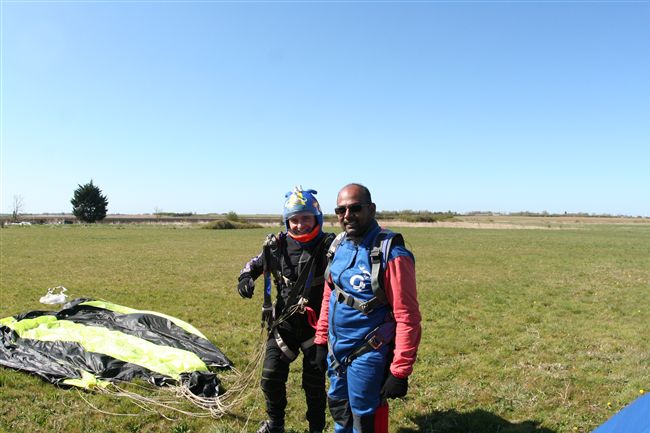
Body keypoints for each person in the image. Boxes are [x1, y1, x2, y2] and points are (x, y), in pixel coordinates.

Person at [314, 183, 421, 433]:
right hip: (336, 350)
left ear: (371, 209)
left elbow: (407, 316)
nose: (347, 215)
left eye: (355, 208)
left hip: (368, 352)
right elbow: (330, 295)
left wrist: (400, 371)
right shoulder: (338, 246)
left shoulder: (392, 254)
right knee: (339, 409)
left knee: (364, 419)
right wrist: (320, 340)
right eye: (341, 210)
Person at [237, 186, 334, 433]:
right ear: (286, 221)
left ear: (317, 218)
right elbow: (253, 265)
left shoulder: (330, 246)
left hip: (317, 329)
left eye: (306, 218)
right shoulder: (276, 245)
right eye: (294, 220)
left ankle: (316, 429)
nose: (300, 225)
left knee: (314, 385)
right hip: (284, 325)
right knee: (270, 377)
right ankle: (275, 425)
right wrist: (245, 279)